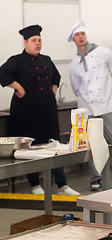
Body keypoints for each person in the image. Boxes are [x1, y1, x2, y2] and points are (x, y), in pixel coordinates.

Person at [0, 25, 80, 195]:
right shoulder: (17, 60)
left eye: (39, 40)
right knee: (30, 148)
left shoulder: (46, 59)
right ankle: (35, 184)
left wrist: (53, 90)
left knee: (54, 145)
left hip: (47, 112)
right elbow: (2, 74)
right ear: (25, 42)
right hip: (25, 113)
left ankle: (62, 185)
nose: (37, 43)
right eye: (33, 40)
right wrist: (18, 87)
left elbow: (56, 77)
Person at [67, 21, 112, 190]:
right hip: (88, 109)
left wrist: (110, 97)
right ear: (73, 40)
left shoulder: (104, 53)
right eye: (76, 35)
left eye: (82, 34)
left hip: (108, 106)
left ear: (86, 36)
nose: (80, 38)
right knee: (92, 144)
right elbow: (76, 87)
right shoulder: (74, 64)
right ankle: (96, 178)